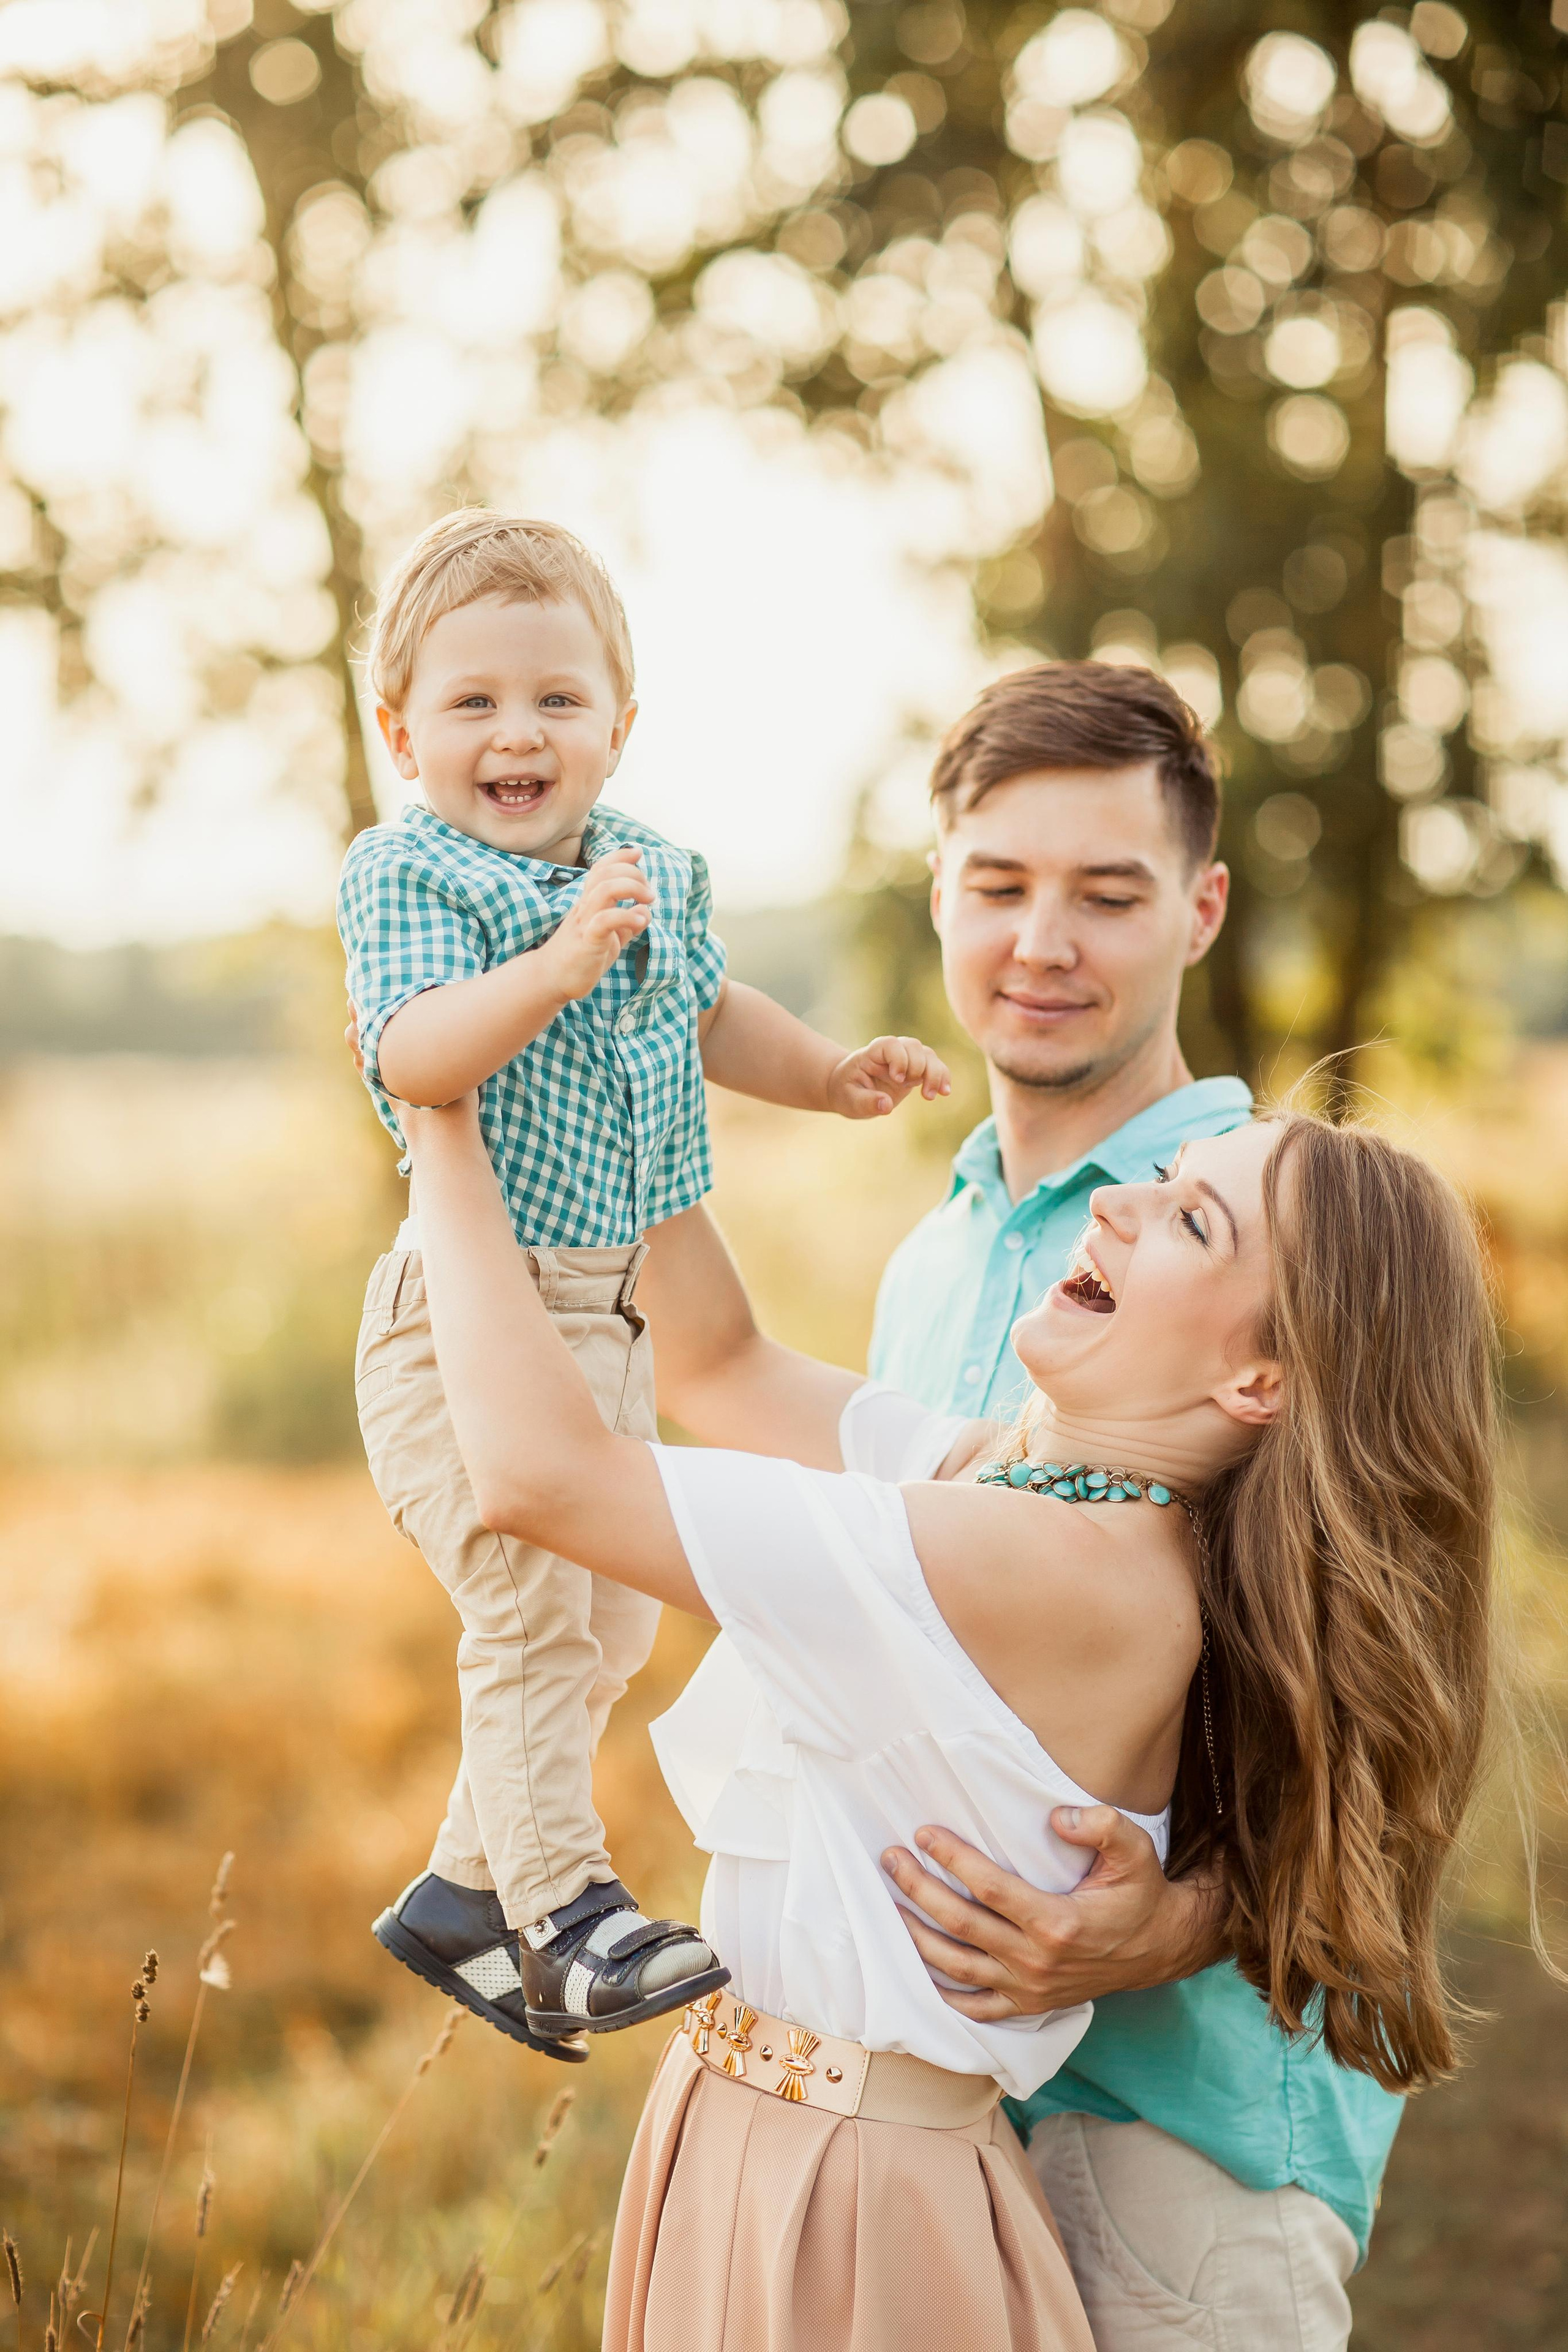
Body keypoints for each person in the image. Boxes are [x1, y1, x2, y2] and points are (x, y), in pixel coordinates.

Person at [399, 1069, 1498, 2352]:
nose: (1124, 1206)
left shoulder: (1052, 1567)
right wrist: (624, 1064)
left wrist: (442, 1125)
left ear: (1258, 1381)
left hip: (853, 2206)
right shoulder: (1011, 1480)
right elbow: (718, 1360)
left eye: (1193, 1222)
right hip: (747, 2137)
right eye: (1162, 1182)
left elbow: (541, 1477)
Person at [643, 659, 1404, 2348]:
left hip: (1183, 2148)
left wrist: (1162, 1927)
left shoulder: (1275, 1251)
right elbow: (739, 1392)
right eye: (1000, 886)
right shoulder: (953, 1246)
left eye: (1107, 894)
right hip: (940, 2124)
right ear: (941, 895)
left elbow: (1391, 1745)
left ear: (1201, 910)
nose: (1042, 942)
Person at [337, 508, 949, 2060]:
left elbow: (708, 1009)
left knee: (609, 1625)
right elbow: (414, 1056)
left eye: (555, 698)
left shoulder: (649, 873)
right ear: (403, 732)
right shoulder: (411, 873)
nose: (516, 733)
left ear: (619, 724)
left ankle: (458, 1895)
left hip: (606, 1318)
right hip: (462, 1325)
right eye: (470, 704)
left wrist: (824, 1075)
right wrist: (547, 966)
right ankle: (563, 1912)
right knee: (534, 1609)